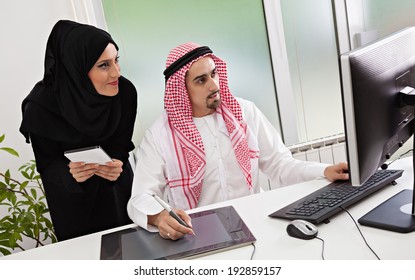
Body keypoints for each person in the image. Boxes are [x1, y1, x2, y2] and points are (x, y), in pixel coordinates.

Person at [127, 42, 348, 240]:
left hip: (256, 224)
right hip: (198, 236)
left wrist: (325, 171)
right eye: (201, 80)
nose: (214, 86)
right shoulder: (160, 136)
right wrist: (159, 217)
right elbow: (140, 198)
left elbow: (279, 165)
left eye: (214, 74)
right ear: (182, 90)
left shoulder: (244, 112)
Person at [19, 20, 137, 241]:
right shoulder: (40, 107)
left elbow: (121, 145)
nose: (116, 73)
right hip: (73, 205)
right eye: (104, 65)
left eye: (116, 61)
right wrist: (70, 174)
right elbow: (47, 164)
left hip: (119, 191)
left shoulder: (125, 92)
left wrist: (117, 162)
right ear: (77, 68)